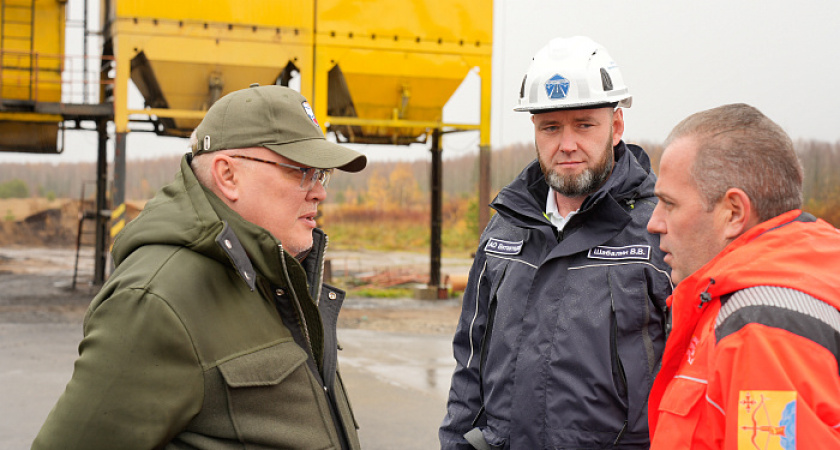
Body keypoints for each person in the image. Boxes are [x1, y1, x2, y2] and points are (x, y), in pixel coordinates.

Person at [32, 84, 366, 449]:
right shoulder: (155, 301)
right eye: (301, 171)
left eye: (322, 175)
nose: (319, 192)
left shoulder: (273, 276)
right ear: (228, 175)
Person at [440, 36, 673, 450]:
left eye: (584, 124)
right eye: (551, 127)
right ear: (535, 130)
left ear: (616, 126)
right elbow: (469, 362)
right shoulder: (505, 228)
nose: (566, 145)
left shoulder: (659, 230)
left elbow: (691, 376)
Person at [646, 103, 840, 449]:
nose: (654, 223)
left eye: (669, 204)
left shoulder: (763, 330)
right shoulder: (798, 278)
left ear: (733, 212)